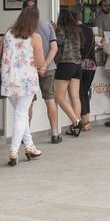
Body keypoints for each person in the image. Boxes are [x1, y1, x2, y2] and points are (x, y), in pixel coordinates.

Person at [0, 6, 46, 166]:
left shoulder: (8, 34)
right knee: (21, 115)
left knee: (21, 115)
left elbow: (1, 52)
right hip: (26, 80)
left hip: (9, 79)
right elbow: (40, 62)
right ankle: (13, 151)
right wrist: (43, 67)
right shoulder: (35, 37)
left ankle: (30, 146)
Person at [53, 7, 85, 135]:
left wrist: (54, 30)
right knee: (75, 97)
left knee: (59, 97)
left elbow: (58, 43)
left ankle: (76, 121)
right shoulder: (76, 30)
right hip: (77, 64)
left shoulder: (61, 29)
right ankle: (75, 127)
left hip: (65, 64)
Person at [36, 8, 62, 143]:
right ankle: (54, 133)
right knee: (50, 100)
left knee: (26, 103)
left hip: (30, 70)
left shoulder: (20, 27)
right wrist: (45, 64)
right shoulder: (47, 25)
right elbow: (54, 48)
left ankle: (25, 135)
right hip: (49, 68)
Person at [78, 16, 97, 130]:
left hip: (79, 64)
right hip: (91, 63)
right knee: (85, 91)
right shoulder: (89, 29)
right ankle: (87, 119)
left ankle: (84, 121)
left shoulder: (73, 29)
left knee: (80, 93)